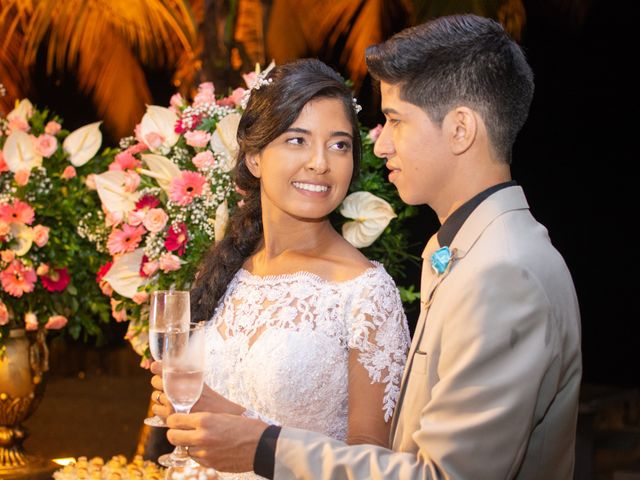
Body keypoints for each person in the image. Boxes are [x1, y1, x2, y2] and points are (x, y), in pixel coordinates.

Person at [160, 14, 583, 479]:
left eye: (396, 120)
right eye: (296, 140)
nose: (380, 147)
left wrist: (263, 446)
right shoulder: (466, 251)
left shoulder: (503, 273)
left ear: (460, 129)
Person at [150, 58, 410, 477]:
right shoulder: (227, 269)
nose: (320, 162)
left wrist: (240, 422)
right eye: (297, 140)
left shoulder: (365, 292)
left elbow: (374, 464)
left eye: (340, 144)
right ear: (254, 157)